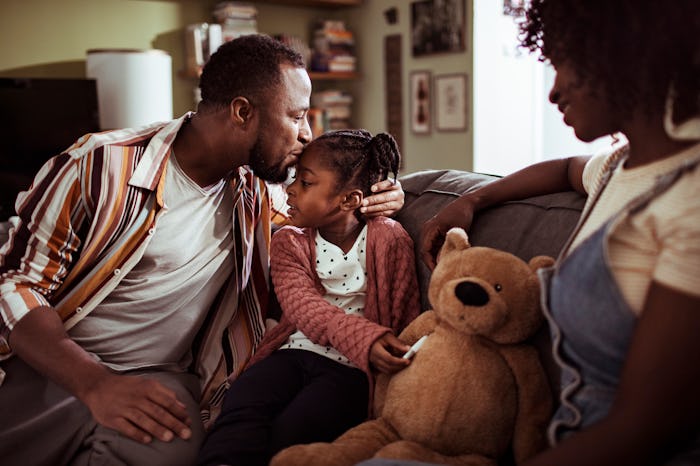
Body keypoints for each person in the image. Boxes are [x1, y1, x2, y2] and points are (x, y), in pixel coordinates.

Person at [0, 34, 404, 466]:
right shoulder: (97, 166)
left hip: (160, 378)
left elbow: (322, 221)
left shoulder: (258, 191)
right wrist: (96, 384)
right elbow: (15, 286)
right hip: (57, 363)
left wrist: (384, 199)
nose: (307, 134)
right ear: (243, 112)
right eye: (297, 116)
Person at [417, 1, 700, 465]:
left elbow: (643, 429)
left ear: (621, 55)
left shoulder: (689, 202)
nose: (553, 93)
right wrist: (471, 200)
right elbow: (567, 168)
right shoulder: (618, 166)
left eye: (563, 65)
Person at [197, 129, 422, 466]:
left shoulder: (389, 239)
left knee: (298, 428)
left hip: (351, 370)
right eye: (294, 180)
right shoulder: (290, 242)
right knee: (244, 401)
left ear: (348, 200)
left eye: (305, 183)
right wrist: (365, 338)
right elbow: (304, 308)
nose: (290, 190)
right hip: (294, 352)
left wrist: (392, 364)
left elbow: (404, 311)